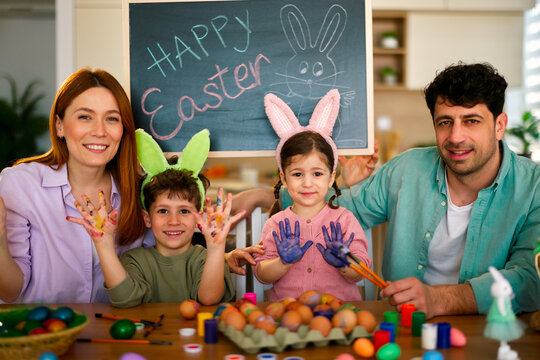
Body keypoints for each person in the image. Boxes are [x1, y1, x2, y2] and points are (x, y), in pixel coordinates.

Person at [237, 62, 540, 318]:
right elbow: (336, 209)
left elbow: (532, 279)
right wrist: (271, 196)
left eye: (471, 121)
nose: (455, 136)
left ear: (500, 125)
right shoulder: (406, 169)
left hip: (492, 328)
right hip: (399, 324)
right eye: (445, 122)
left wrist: (439, 299)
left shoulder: (533, 187)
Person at [0, 68, 261, 304]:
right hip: (41, 336)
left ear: (123, 129)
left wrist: (218, 258)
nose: (100, 131)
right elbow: (9, 291)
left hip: (112, 335)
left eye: (112, 119)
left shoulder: (138, 192)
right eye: (85, 117)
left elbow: (186, 216)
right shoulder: (20, 185)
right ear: (59, 125)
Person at [68, 129, 240, 307]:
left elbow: (209, 298)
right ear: (147, 218)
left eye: (184, 211)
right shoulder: (134, 260)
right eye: (163, 211)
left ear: (199, 217)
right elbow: (124, 299)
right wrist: (104, 245)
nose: (174, 221)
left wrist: (216, 248)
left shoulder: (207, 259)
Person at [253, 89, 371, 301]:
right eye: (297, 174)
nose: (307, 183)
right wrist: (283, 262)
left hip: (339, 314)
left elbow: (361, 271)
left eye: (317, 173)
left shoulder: (344, 220)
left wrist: (345, 264)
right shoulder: (276, 223)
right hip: (287, 314)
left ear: (331, 177)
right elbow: (261, 274)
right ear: (284, 178)